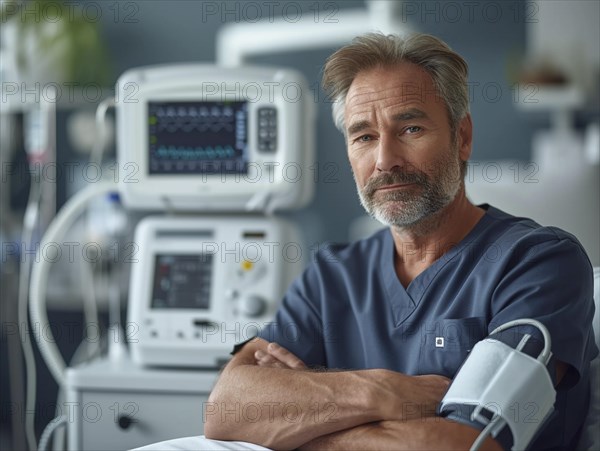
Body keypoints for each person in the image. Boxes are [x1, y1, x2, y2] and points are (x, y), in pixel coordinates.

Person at [204, 33, 598, 450]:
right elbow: (226, 410)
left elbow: (464, 444)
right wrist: (383, 392)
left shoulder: (539, 264)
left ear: (461, 137)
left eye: (410, 128)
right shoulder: (332, 275)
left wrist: (305, 425)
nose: (385, 159)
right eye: (364, 137)